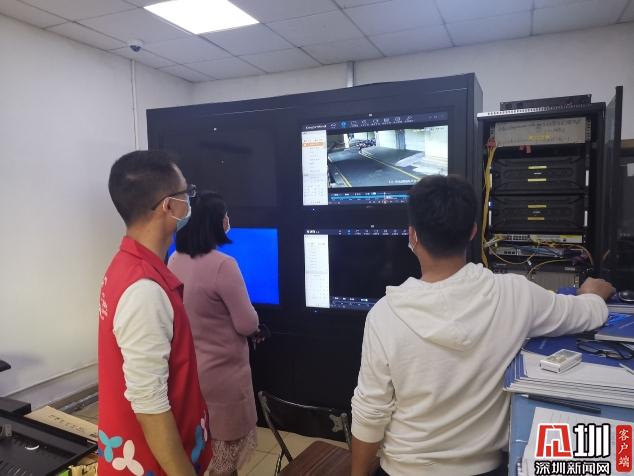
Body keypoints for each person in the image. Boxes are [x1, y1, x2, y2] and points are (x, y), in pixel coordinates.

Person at [350, 175, 615, 476]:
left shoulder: (384, 315)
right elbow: (585, 314)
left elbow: (370, 413)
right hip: (487, 469)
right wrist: (594, 294)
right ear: (473, 231)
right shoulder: (515, 294)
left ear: (413, 236)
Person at [98, 151, 212, 476]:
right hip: (152, 465)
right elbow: (150, 405)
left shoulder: (127, 265)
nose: (189, 200)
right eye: (186, 192)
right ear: (169, 206)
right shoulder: (144, 290)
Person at [168, 191, 262, 476]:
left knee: (202, 451)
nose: (228, 220)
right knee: (224, 464)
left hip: (191, 376)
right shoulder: (224, 265)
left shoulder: (174, 259)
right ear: (215, 223)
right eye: (225, 216)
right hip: (224, 381)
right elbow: (246, 324)